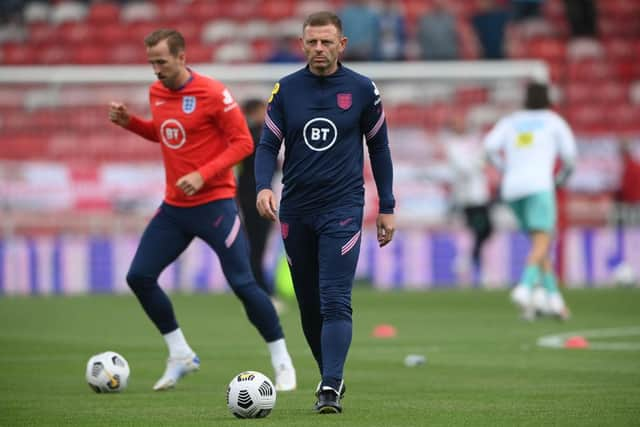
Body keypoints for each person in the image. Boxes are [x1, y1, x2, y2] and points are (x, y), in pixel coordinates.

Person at [108, 29, 296, 392]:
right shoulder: (157, 92)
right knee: (139, 276)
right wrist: (130, 122)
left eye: (161, 62)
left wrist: (203, 173)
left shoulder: (213, 93)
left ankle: (281, 358)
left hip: (216, 206)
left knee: (243, 283)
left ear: (181, 57)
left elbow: (243, 143)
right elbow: (167, 134)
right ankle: (180, 354)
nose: (156, 70)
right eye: (152, 63)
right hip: (175, 207)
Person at [254, 11, 395, 414]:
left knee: (335, 299)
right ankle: (329, 373)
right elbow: (267, 146)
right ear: (302, 44)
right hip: (296, 209)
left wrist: (387, 206)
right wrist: (263, 185)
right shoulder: (286, 91)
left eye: (326, 42)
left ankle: (329, 386)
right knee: (310, 304)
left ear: (341, 45)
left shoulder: (363, 90)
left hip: (343, 208)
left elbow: (379, 148)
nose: (319, 49)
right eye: (312, 42)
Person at [484, 82, 576, 321]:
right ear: (549, 99)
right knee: (543, 241)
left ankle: (555, 300)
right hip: (539, 186)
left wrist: (505, 168)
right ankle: (525, 287)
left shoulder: (511, 121)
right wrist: (560, 179)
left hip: (513, 189)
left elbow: (489, 147)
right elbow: (570, 156)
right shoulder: (554, 121)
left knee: (539, 244)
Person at [443, 114, 493, 285]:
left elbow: (484, 156)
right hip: (467, 196)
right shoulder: (452, 145)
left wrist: (478, 161)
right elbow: (464, 168)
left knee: (484, 230)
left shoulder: (472, 140)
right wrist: (477, 162)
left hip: (480, 193)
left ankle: (466, 260)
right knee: (481, 230)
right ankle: (473, 264)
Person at [236, 98, 275, 297]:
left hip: (248, 197)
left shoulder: (244, 137)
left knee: (255, 246)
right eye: (262, 110)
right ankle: (261, 291)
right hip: (257, 199)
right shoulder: (257, 137)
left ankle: (259, 289)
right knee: (257, 246)